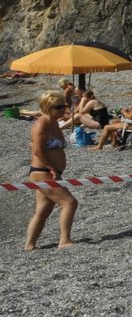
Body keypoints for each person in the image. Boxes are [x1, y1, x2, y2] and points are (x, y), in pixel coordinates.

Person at [25, 90, 77, 250]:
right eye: (58, 107)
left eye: (64, 106)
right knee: (69, 202)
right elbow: (37, 150)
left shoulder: (54, 122)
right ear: (47, 107)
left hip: (51, 172)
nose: (63, 110)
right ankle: (64, 240)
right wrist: (51, 167)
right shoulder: (41, 124)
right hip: (42, 172)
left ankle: (30, 244)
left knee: (43, 210)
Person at [92, 86, 132, 151]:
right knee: (114, 121)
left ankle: (99, 146)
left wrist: (123, 111)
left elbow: (130, 117)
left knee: (106, 127)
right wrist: (129, 110)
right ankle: (114, 143)